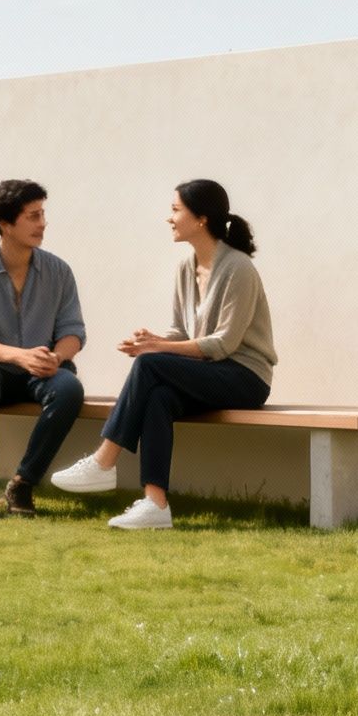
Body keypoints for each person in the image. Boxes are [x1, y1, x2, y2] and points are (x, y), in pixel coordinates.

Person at [50, 180, 276, 529]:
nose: (169, 218)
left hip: (245, 376)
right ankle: (156, 504)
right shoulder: (186, 268)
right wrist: (154, 339)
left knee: (150, 363)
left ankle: (104, 461)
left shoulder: (239, 269)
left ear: (201, 218)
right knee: (158, 395)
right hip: (208, 372)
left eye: (175, 210)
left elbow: (223, 344)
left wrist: (156, 349)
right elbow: (182, 334)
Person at [0, 179, 86, 520]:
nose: (42, 224)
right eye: (32, 216)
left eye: (42, 214)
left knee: (69, 388)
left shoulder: (59, 271)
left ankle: (23, 482)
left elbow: (73, 332)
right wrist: (19, 355)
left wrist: (56, 357)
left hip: (43, 370)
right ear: (5, 224)